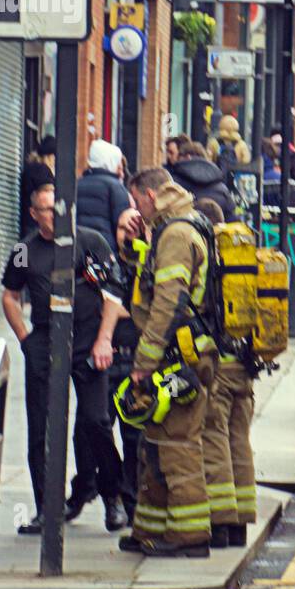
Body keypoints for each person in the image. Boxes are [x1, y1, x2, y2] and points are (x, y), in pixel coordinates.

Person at [1, 186, 127, 535]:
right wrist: (25, 339)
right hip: (44, 339)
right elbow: (10, 295)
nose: (54, 216)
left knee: (96, 421)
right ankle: (47, 509)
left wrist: (104, 340)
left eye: (59, 208)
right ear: (33, 214)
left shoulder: (90, 242)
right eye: (46, 210)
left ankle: (112, 498)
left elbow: (113, 294)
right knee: (40, 427)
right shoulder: (24, 251)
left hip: (89, 340)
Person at [120, 167, 217, 558]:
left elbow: (168, 303)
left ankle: (191, 537)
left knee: (178, 445)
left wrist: (144, 359)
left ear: (149, 194)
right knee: (157, 444)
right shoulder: (175, 226)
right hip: (175, 353)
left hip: (181, 355)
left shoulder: (176, 234)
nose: (135, 208)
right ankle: (149, 531)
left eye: (135, 200)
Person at [189, 198, 259, 548]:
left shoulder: (210, 260)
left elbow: (198, 307)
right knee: (239, 441)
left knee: (213, 439)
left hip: (218, 364)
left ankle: (221, 524)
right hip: (245, 365)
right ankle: (242, 524)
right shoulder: (243, 257)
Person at [107, 206, 147, 523]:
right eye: (122, 228)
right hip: (107, 358)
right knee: (94, 429)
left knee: (133, 436)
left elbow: (136, 309)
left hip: (135, 360)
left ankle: (130, 501)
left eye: (133, 227)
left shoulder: (146, 263)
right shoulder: (106, 263)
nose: (127, 233)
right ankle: (110, 493)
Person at [76, 139, 132, 248]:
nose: (122, 173)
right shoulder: (116, 187)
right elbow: (123, 224)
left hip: (78, 249)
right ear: (110, 162)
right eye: (119, 166)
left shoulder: (77, 184)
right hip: (105, 250)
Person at [168, 140, 237, 221]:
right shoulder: (222, 189)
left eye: (179, 157)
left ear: (188, 157)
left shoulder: (173, 184)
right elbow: (232, 219)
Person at [19, 136, 56, 238]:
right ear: (50, 157)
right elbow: (48, 195)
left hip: (27, 222)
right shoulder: (43, 171)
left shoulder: (30, 168)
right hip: (37, 224)